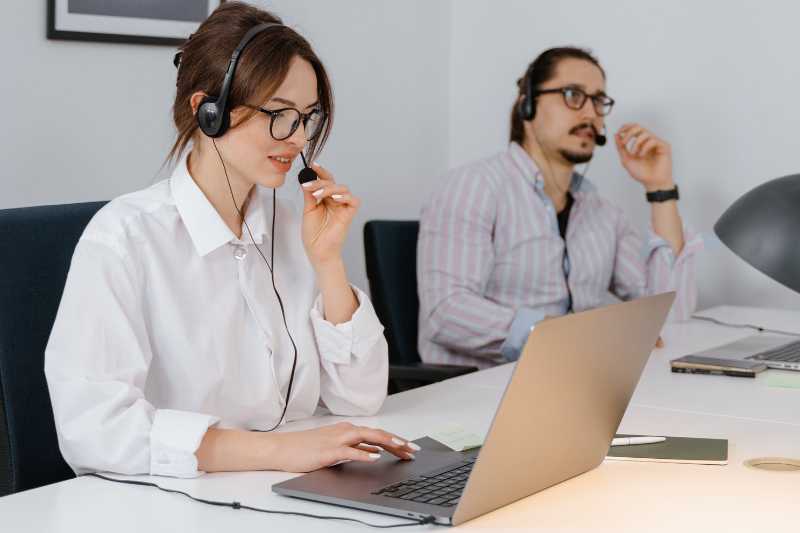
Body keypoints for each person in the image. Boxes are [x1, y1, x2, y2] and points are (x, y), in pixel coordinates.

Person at [45, 2, 418, 478]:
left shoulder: (295, 228)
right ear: (208, 113)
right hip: (172, 498)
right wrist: (280, 452)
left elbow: (360, 398)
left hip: (287, 487)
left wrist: (328, 264)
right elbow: (94, 429)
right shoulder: (124, 238)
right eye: (279, 114)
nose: (298, 139)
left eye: (307, 117)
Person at [417, 46, 703, 369]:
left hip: (575, 378)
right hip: (484, 386)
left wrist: (659, 187)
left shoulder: (603, 213)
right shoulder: (473, 187)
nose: (590, 114)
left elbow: (670, 315)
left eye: (598, 100)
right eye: (573, 95)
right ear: (527, 104)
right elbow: (446, 313)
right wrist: (568, 337)